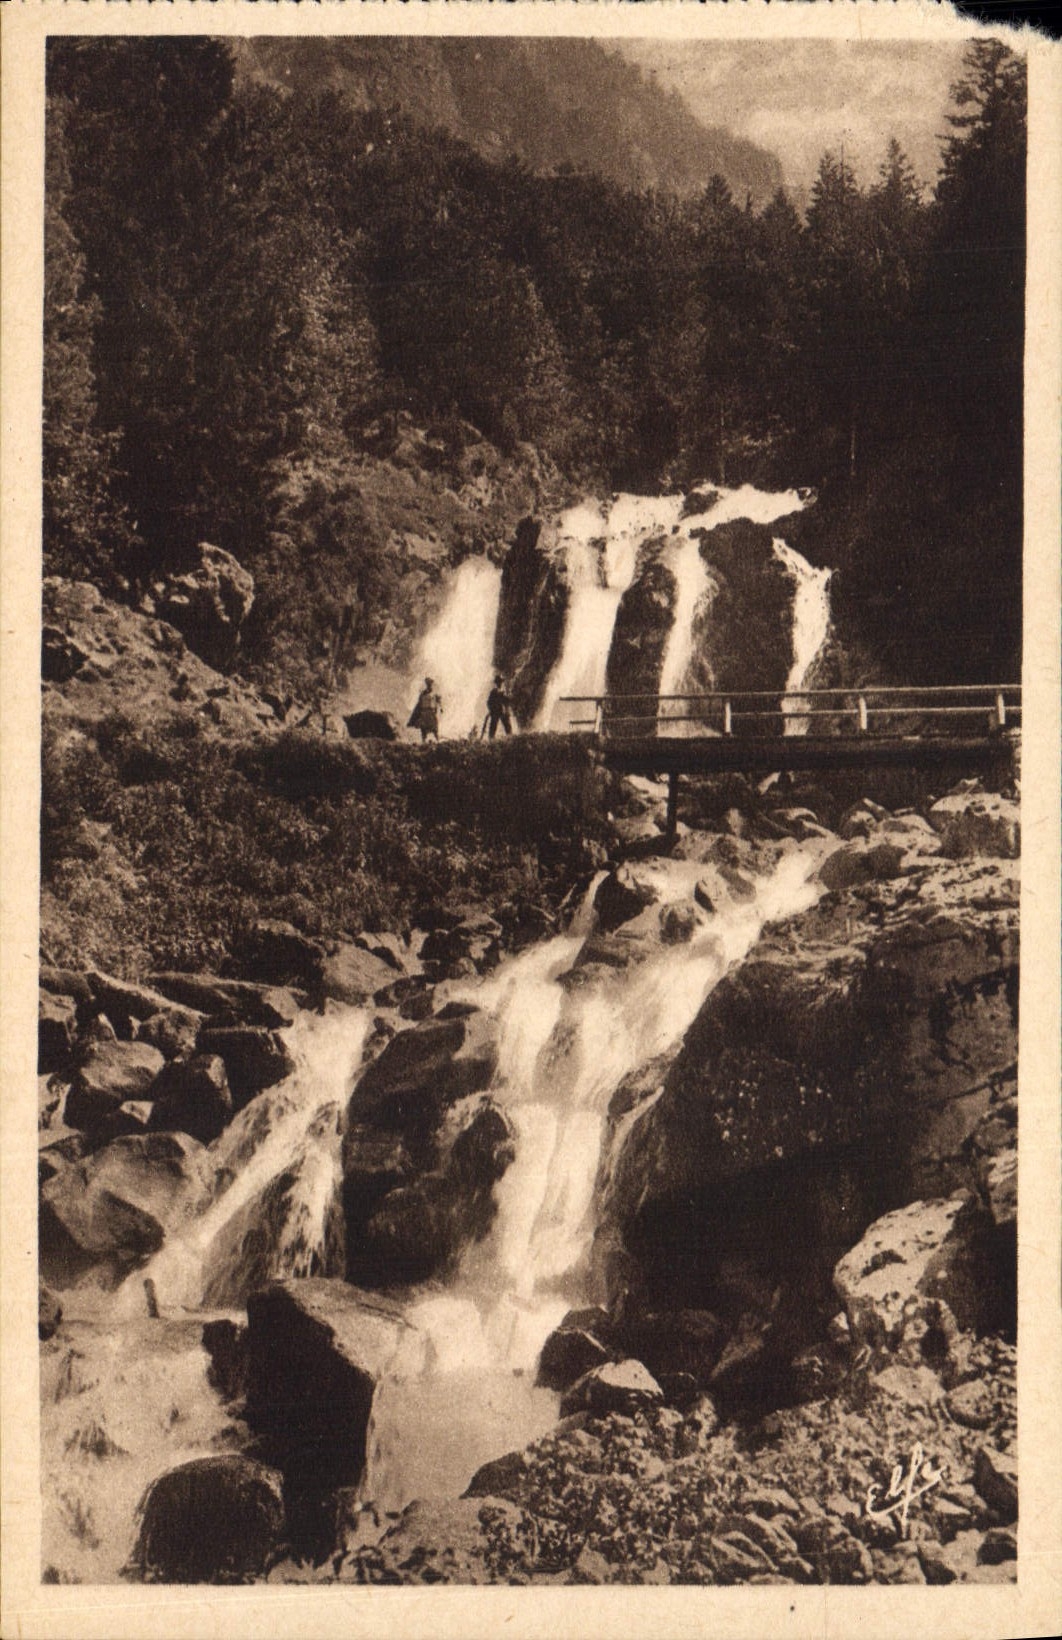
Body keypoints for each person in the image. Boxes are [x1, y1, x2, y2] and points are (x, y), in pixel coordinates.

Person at [409, 677, 442, 742]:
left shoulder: (434, 693)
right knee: (424, 728)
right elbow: (420, 702)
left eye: (430, 683)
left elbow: (438, 701)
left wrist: (441, 708)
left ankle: (438, 740)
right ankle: (423, 742)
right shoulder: (423, 693)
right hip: (424, 712)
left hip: (431, 712)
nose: (429, 685)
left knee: (434, 728)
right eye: (428, 683)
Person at [484, 674, 514, 739]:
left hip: (502, 711)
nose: (500, 683)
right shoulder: (494, 691)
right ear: (496, 683)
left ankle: (510, 738)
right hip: (496, 711)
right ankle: (491, 740)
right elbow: (489, 702)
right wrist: (491, 709)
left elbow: (507, 701)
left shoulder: (502, 692)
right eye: (499, 682)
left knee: (507, 726)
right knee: (493, 727)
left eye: (501, 682)